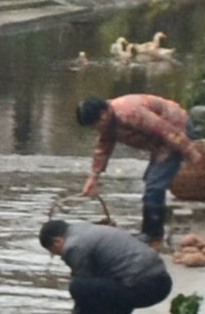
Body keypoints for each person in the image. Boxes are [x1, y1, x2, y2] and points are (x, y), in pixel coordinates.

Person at [42, 211, 171, 314]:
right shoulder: (85, 229)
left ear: (57, 241)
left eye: (55, 252)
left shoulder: (74, 246)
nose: (59, 256)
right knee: (97, 290)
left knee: (78, 287)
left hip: (147, 286)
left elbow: (83, 288)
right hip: (160, 280)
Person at [74, 88, 198, 233]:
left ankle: (153, 236)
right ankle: (151, 231)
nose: (95, 129)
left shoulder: (130, 112)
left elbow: (165, 130)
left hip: (176, 129)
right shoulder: (108, 123)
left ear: (103, 115)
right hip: (160, 143)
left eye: (95, 125)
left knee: (154, 187)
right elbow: (103, 147)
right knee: (151, 183)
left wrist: (190, 151)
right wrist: (93, 177)